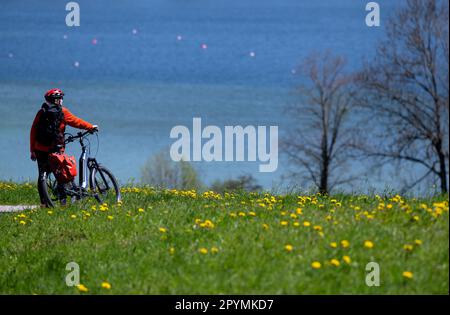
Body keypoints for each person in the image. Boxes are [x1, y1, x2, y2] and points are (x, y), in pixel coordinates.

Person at [30, 88, 98, 206]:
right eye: (60, 98)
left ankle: (44, 203)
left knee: (42, 175)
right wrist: (90, 127)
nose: (61, 100)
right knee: (60, 174)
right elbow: (76, 122)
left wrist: (32, 150)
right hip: (56, 149)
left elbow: (33, 131)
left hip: (40, 148)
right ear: (57, 100)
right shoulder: (63, 112)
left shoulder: (41, 112)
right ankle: (63, 203)